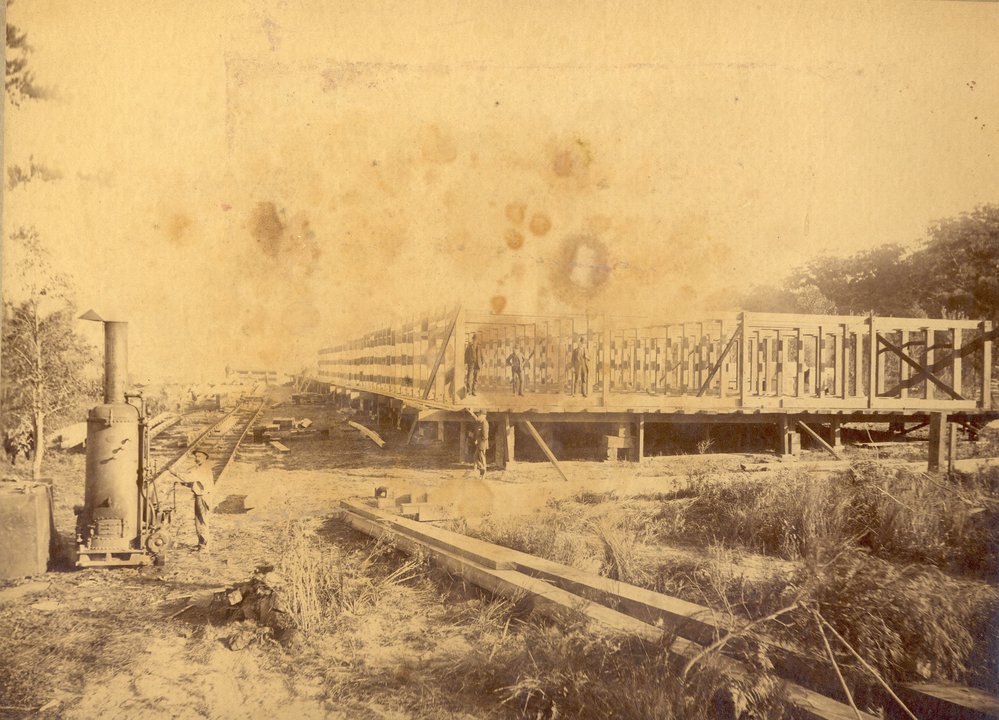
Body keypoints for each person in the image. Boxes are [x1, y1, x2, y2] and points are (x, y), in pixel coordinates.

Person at [169, 449, 215, 551]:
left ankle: (205, 547)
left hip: (203, 497)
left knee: (202, 521)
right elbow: (196, 482)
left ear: (204, 458)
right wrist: (186, 484)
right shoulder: (202, 468)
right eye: (196, 456)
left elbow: (188, 477)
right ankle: (201, 544)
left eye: (199, 456)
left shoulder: (202, 469)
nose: (196, 458)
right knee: (199, 521)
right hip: (201, 495)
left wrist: (174, 472)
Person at [469, 409, 489, 478]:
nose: (478, 416)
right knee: (475, 457)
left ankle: (483, 472)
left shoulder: (484, 424)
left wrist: (478, 440)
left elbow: (485, 436)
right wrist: (472, 413)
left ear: (484, 416)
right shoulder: (481, 421)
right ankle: (482, 469)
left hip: (482, 444)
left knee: (482, 458)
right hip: (480, 444)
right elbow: (476, 419)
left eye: (479, 415)